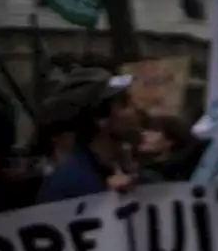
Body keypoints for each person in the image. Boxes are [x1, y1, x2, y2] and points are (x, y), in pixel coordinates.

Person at [36, 67, 141, 203]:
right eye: (125, 104)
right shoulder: (69, 185)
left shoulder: (123, 169)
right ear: (101, 118)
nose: (137, 109)